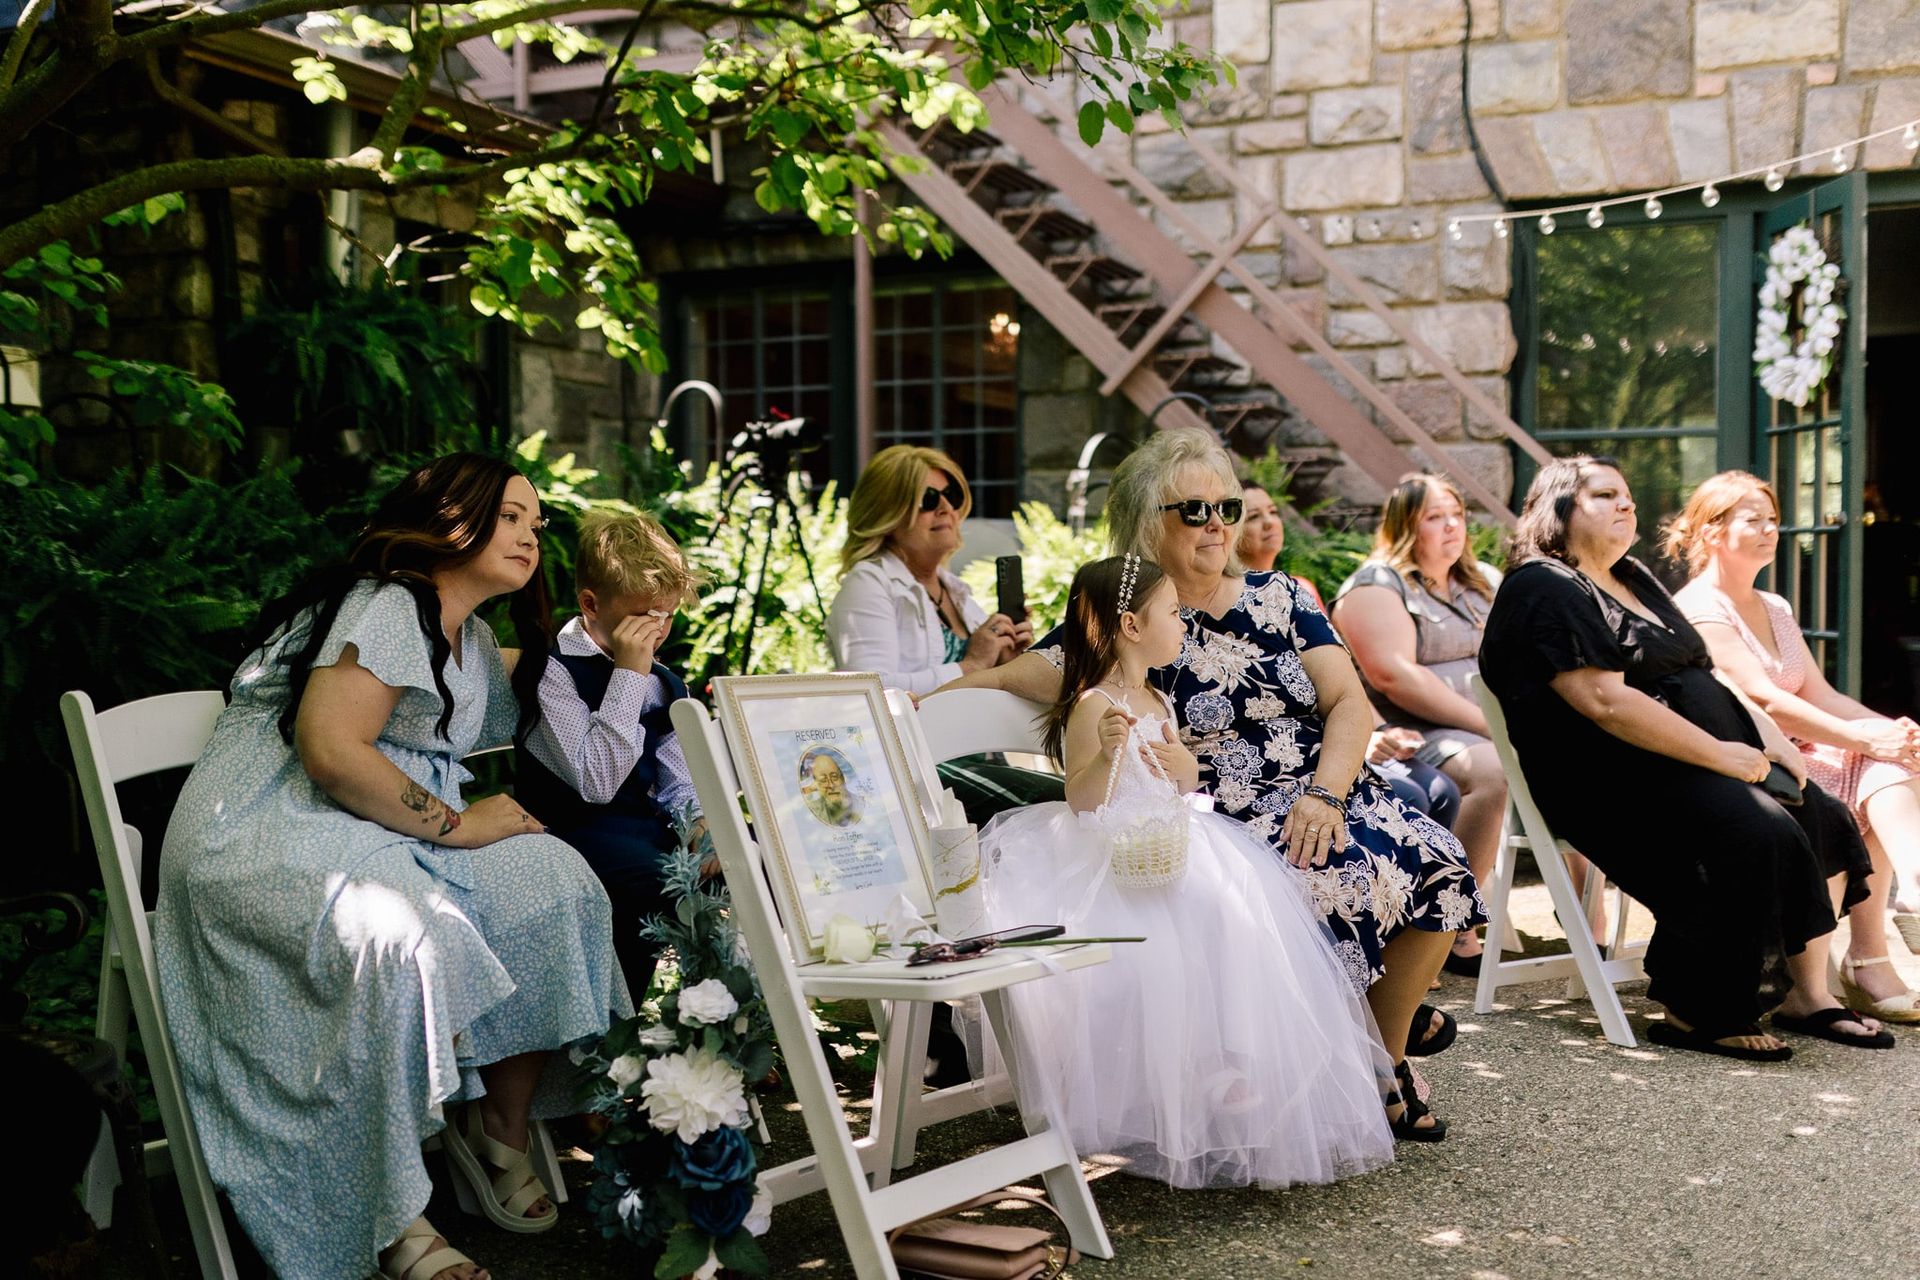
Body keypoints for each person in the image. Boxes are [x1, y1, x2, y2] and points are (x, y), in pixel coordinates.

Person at [156, 455, 628, 1280]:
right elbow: (331, 750)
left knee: (555, 885)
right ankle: (389, 1213)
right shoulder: (387, 605)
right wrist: (456, 823)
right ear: (452, 519)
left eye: (537, 523)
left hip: (375, 829)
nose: (532, 535)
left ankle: (498, 1132)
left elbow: (538, 678)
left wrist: (620, 644)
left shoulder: (467, 634)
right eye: (512, 516)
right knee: (398, 935)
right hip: (278, 829)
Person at [945, 428, 1483, 1133]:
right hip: (1221, 809)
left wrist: (1325, 794)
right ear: (1147, 522)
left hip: (1322, 788)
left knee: (1437, 858)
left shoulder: (1283, 597)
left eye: (1226, 507)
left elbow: (1349, 701)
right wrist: (933, 695)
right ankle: (1367, 1049)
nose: (1218, 525)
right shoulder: (1132, 613)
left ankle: (1380, 1058)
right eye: (1193, 511)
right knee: (1334, 876)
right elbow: (1034, 673)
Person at [973, 553, 1408, 1173]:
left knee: (1243, 907)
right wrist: (1104, 756)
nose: (1184, 625)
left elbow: (1172, 781)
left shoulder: (1155, 696)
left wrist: (1186, 772)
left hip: (1169, 840)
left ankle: (1239, 1059)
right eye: (1173, 614)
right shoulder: (1096, 703)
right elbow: (1081, 798)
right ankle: (1211, 1067)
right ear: (1130, 626)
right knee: (1201, 916)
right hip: (1111, 853)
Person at [1479, 456, 1890, 1060]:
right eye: (1605, 495)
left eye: (1628, 496)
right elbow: (1602, 701)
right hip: (1609, 777)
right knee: (1757, 830)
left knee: (1820, 813)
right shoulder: (1545, 585)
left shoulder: (1632, 574)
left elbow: (1703, 669)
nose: (1627, 505)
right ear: (1559, 508)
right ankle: (1696, 1009)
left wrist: (1766, 735)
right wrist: (1722, 756)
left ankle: (1808, 994)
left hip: (1685, 762)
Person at [1667, 471, 1920, 1023]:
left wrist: (1892, 731)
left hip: (1801, 750)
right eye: (1753, 519)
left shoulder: (1775, 606)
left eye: (1773, 520)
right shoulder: (1699, 608)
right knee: (1860, 768)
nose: (1769, 530)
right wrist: (1861, 737)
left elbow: (1818, 693)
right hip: (1745, 761)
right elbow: (1765, 703)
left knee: (1894, 764)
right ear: (1711, 531)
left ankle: (1906, 901)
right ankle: (1860, 960)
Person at [517, 509, 708, 999]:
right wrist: (627, 675)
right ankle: (613, 1030)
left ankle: (718, 1016)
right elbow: (595, 781)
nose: (658, 630)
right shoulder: (554, 671)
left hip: (645, 829)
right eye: (645, 616)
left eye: (668, 614)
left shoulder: (663, 682)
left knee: (745, 861)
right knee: (653, 879)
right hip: (571, 830)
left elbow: (677, 780)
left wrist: (700, 826)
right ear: (590, 604)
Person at [1330, 474, 1511, 974]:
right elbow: (1394, 676)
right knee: (1495, 773)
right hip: (1415, 734)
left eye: (1456, 513)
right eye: (1435, 516)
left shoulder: (1484, 582)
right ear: (1406, 525)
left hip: (1495, 724)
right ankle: (1454, 926)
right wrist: (1490, 724)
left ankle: (1589, 926)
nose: (1452, 525)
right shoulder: (1378, 585)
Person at [827, 444, 1052, 825]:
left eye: (952, 495)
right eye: (928, 499)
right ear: (889, 513)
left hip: (980, 751)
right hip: (918, 764)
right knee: (1051, 804)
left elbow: (986, 679)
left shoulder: (956, 592)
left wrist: (1010, 664)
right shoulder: (868, 584)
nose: (945, 508)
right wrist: (971, 665)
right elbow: (869, 689)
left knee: (1070, 798)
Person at [1240, 478, 1463, 838]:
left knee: (1442, 792)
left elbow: (1341, 676)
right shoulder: (1234, 603)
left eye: (1274, 512)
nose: (1269, 523)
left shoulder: (1301, 587)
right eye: (1253, 516)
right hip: (1308, 742)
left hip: (1349, 728)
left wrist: (1380, 731)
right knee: (1412, 795)